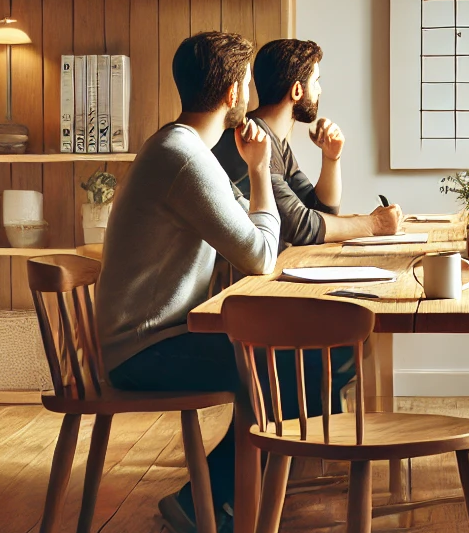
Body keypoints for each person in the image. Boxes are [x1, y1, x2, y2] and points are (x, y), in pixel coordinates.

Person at [96, 31, 355, 533]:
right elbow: (261, 252)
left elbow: (251, 229)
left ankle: (237, 492)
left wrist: (257, 181)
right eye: (245, 84)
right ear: (235, 93)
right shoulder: (186, 158)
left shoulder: (183, 148)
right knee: (308, 365)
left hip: (165, 335)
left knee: (317, 360)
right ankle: (206, 500)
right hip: (145, 349)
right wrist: (260, 171)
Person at [212, 38, 402, 246]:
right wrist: (374, 224)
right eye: (316, 82)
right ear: (297, 91)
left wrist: (331, 158)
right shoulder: (251, 139)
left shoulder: (277, 141)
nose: (319, 90)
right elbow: (299, 226)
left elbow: (320, 212)